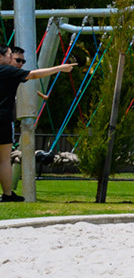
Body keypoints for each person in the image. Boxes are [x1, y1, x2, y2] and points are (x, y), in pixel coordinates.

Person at [0, 45, 77, 203]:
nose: (11, 59)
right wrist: (59, 68)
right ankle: (7, 194)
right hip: (2, 119)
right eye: (10, 56)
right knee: (4, 159)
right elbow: (33, 75)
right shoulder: (7, 71)